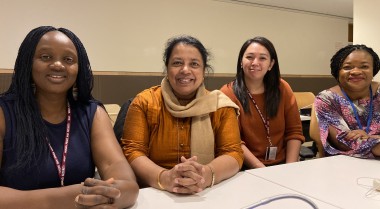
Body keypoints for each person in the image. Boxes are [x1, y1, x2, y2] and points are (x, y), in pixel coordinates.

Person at [0, 26, 139, 209]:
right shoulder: (4, 112)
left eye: (68, 59)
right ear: (28, 63)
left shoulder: (93, 113)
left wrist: (112, 196)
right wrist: (75, 196)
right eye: (45, 57)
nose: (58, 65)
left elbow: (128, 187)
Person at [121, 35, 244, 194]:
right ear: (167, 68)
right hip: (155, 192)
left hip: (207, 193)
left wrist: (206, 174)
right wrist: (164, 177)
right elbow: (132, 151)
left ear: (203, 71)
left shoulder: (220, 106)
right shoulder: (144, 103)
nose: (185, 70)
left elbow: (233, 152)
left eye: (194, 64)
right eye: (177, 63)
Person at [220, 36, 304, 168]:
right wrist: (262, 170)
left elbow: (294, 132)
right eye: (249, 57)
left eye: (262, 58)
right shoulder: (228, 93)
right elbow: (235, 142)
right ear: (241, 62)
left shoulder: (282, 88)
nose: (255, 62)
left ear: (271, 64)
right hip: (246, 168)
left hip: (283, 166)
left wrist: (290, 168)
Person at [314, 44, 380, 158]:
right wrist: (376, 143)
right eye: (347, 67)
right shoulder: (327, 99)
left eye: (364, 66)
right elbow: (344, 141)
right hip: (345, 163)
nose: (355, 72)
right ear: (337, 72)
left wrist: (373, 138)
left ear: (373, 70)